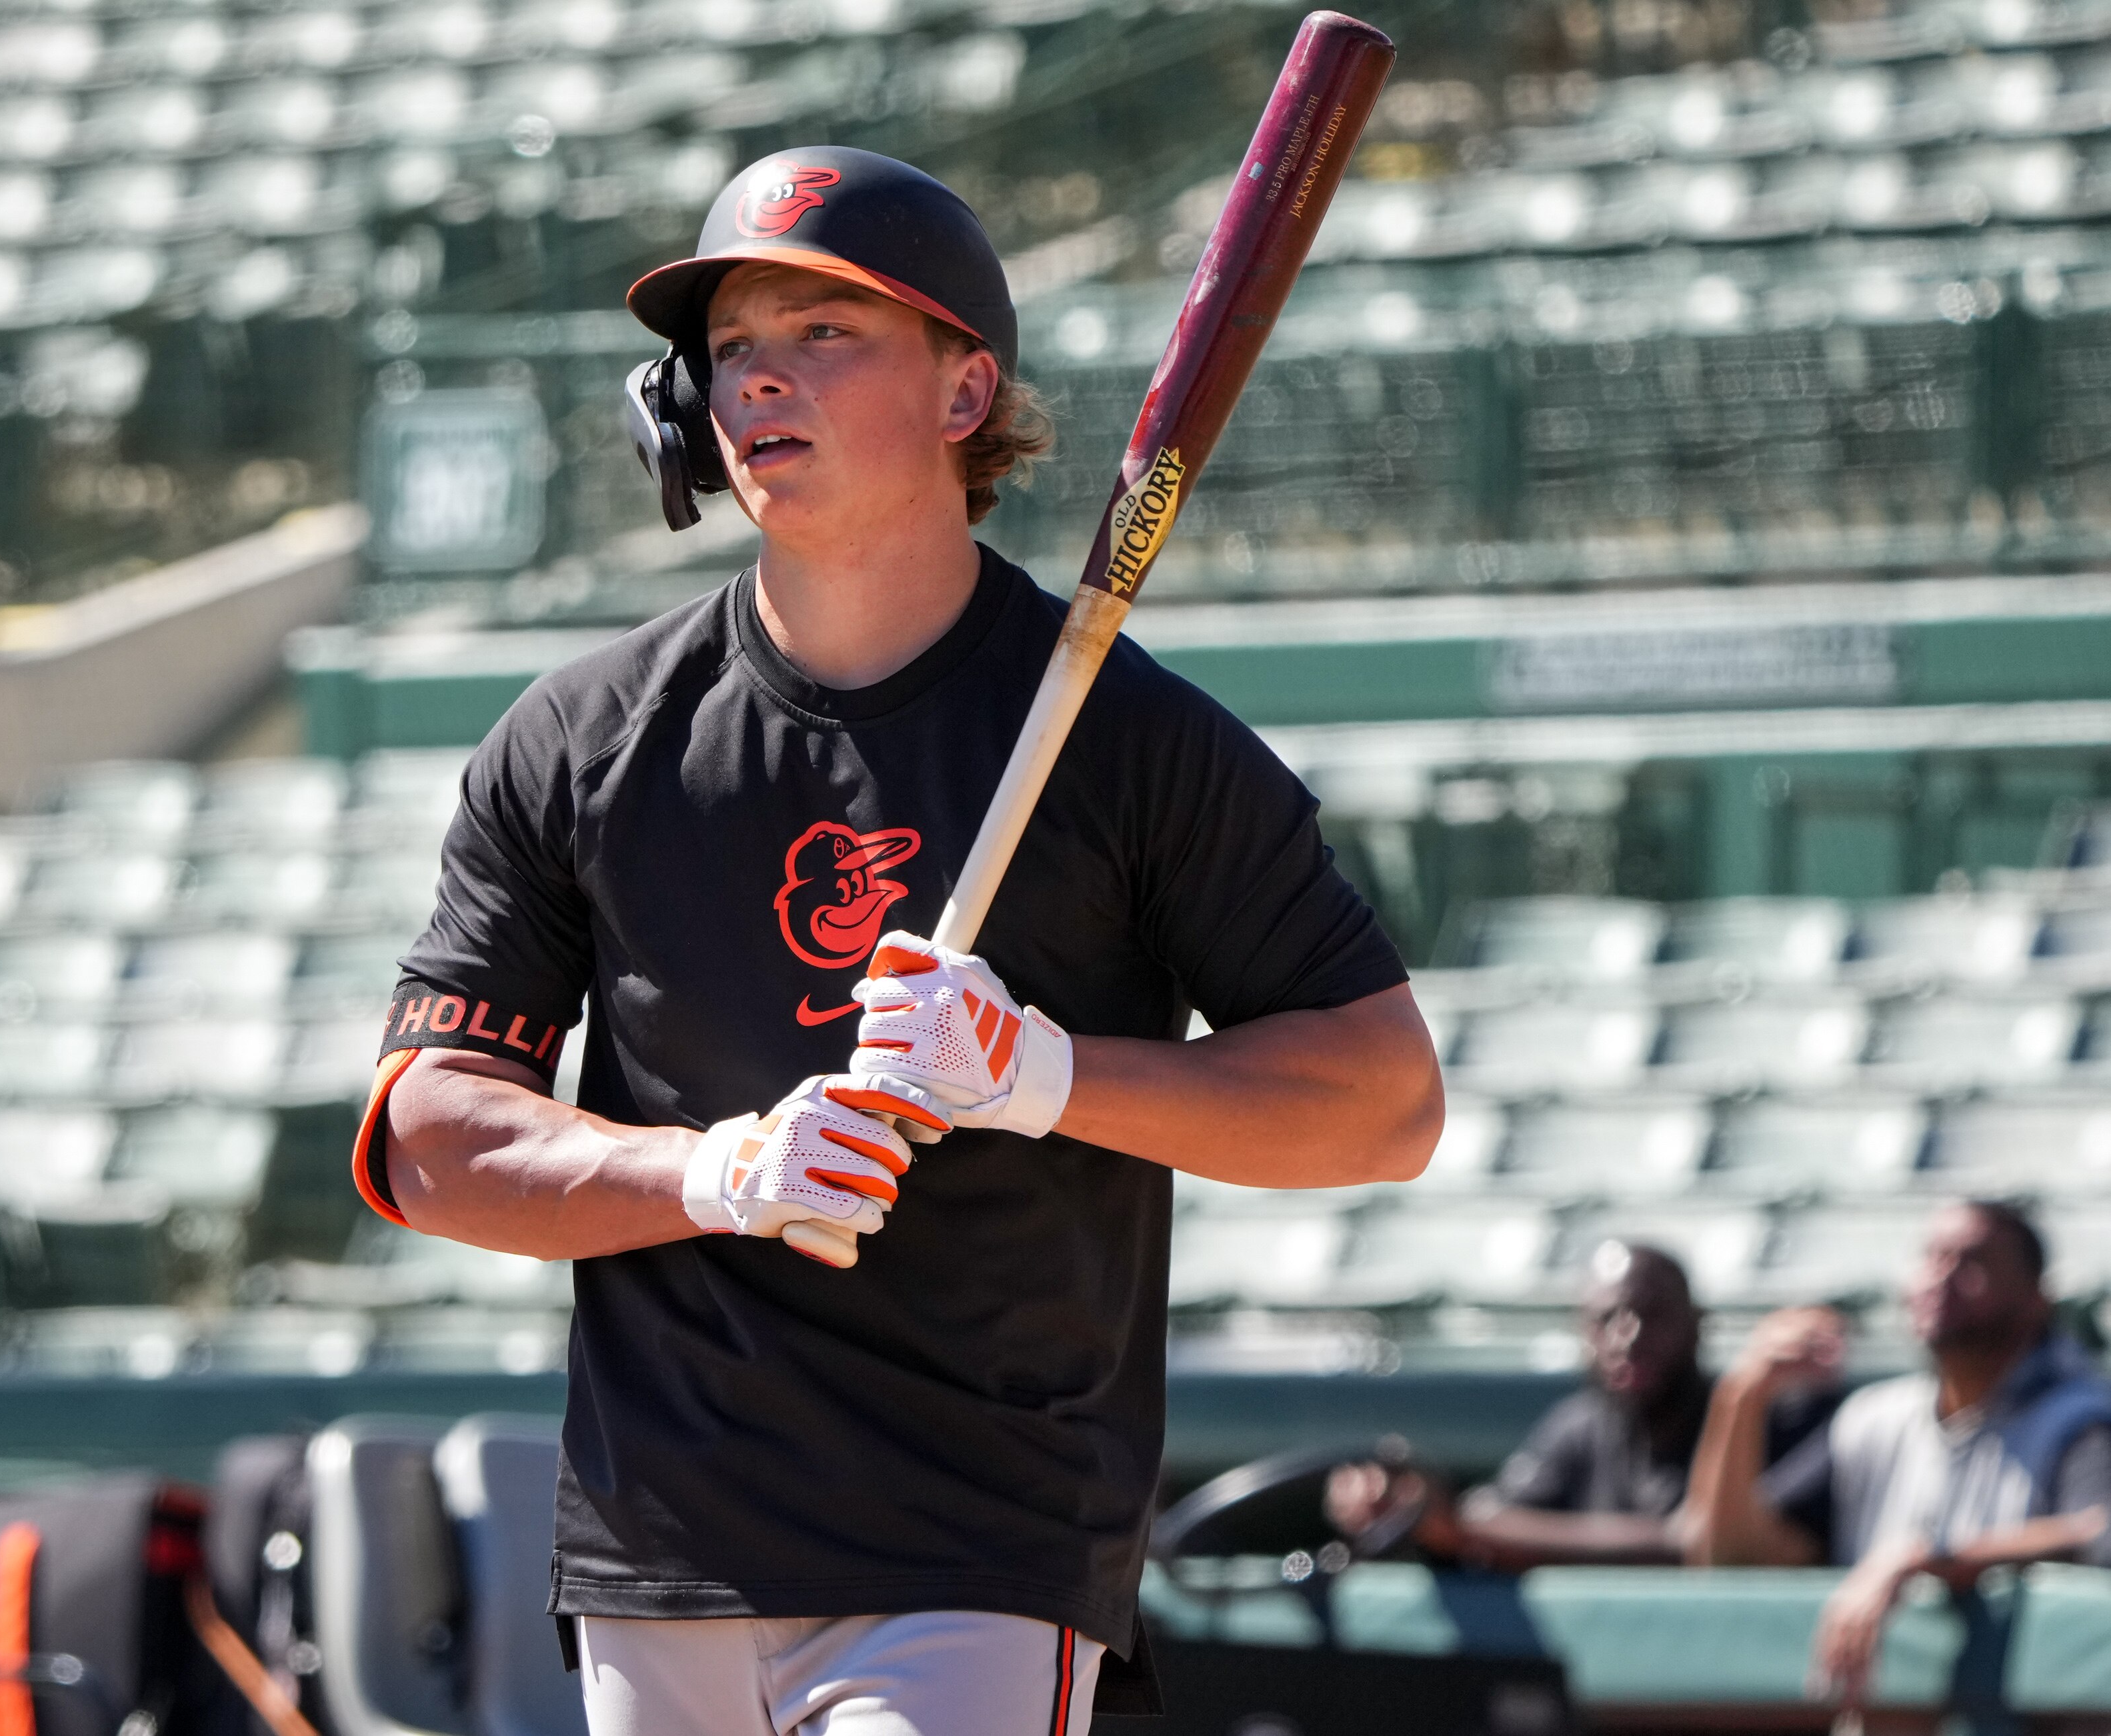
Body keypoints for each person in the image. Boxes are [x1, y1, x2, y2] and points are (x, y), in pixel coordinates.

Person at [350, 146, 1443, 1736]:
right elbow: (429, 1138)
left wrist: (1047, 1074)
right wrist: (713, 1174)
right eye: (730, 350)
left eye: (824, 334)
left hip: (981, 1544)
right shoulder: (582, 738)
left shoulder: (1125, 743)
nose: (759, 382)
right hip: (661, 1552)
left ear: (963, 392)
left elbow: (1385, 1099)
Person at [1677, 1199, 2111, 1718]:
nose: (1941, 1278)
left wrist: (1918, 1559)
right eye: (1932, 1257)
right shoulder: (1876, 1419)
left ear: (2037, 1299)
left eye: (1971, 1263)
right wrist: (1741, 1398)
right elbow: (1734, 1560)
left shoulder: (2082, 1417)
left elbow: (2095, 1531)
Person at [1325, 1241, 1834, 1569]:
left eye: (1652, 1315)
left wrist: (1477, 1529)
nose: (1627, 1337)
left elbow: (1711, 1548)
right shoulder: (1581, 1425)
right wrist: (1446, 1521)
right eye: (1606, 1319)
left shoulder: (1777, 1419)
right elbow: (1491, 1519)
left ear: (1697, 1323)